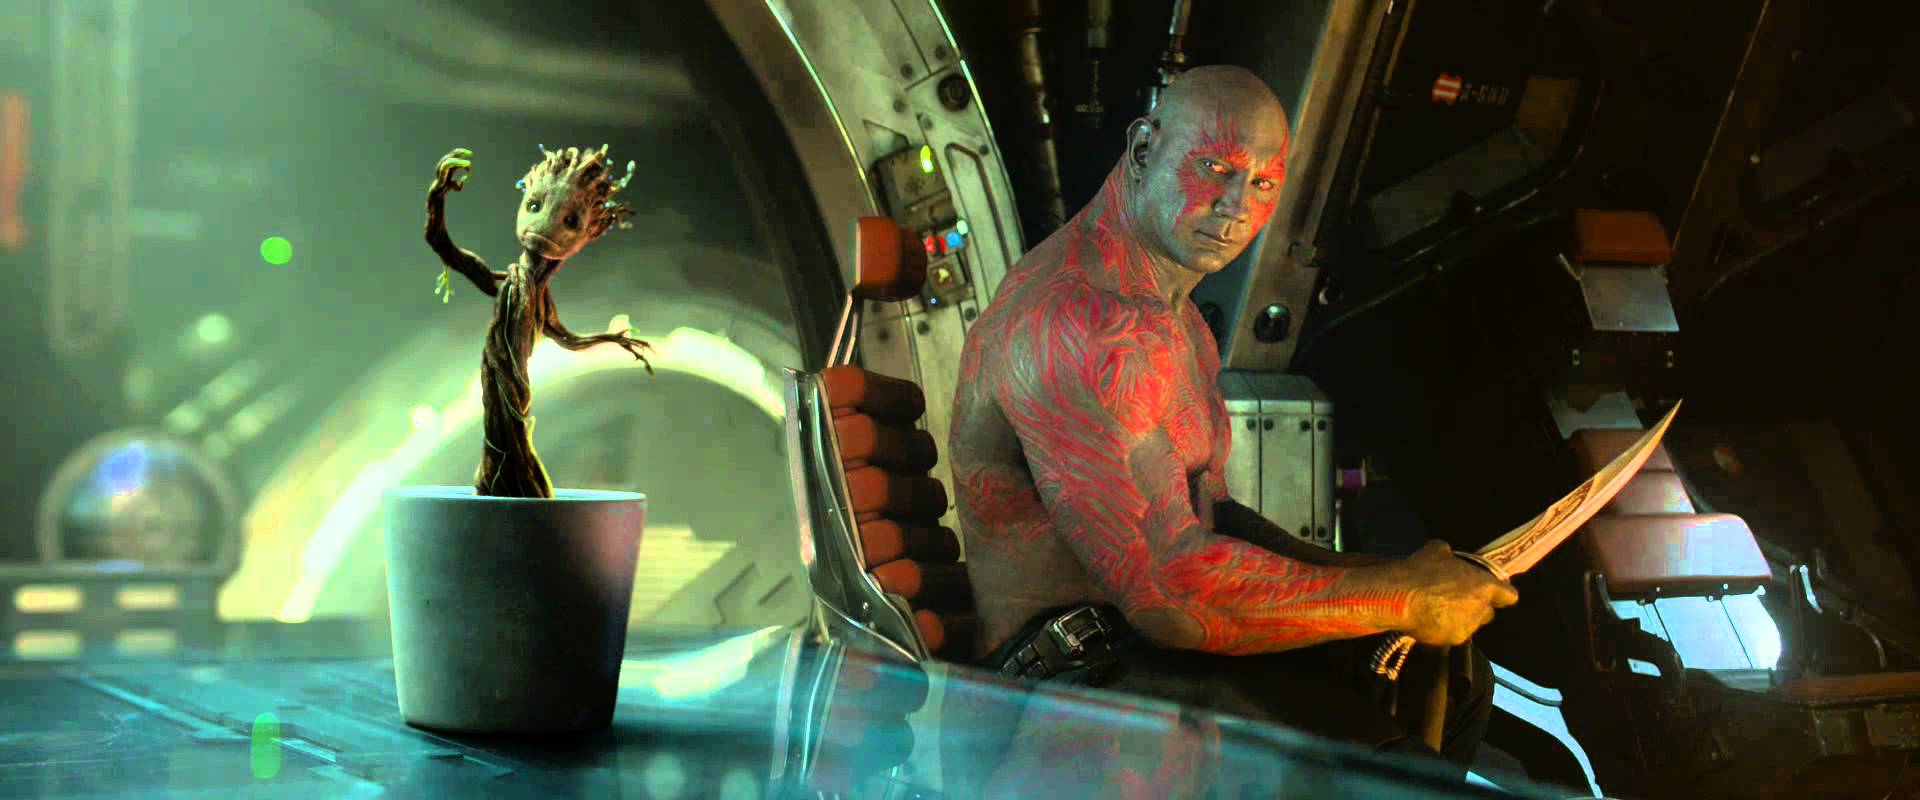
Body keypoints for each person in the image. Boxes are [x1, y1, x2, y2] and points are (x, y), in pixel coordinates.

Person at [947, 64, 1519, 777]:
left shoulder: (1178, 321)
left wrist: (1388, 576)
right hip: (1060, 684)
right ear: (1143, 148)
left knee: (1455, 676)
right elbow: (1167, 594)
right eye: (1213, 168)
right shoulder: (1081, 323)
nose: (1234, 206)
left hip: (1142, 652)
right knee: (1395, 773)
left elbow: (1211, 519)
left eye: (1262, 184)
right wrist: (1395, 595)